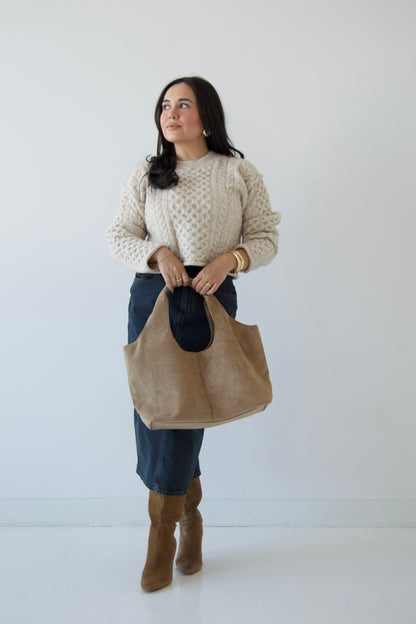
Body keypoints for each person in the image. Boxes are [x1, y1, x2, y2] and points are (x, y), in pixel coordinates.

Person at [106, 76, 281, 592]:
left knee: (187, 413)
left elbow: (266, 236)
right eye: (165, 105)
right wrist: (157, 253)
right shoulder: (146, 174)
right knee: (158, 412)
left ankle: (165, 530)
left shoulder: (237, 172)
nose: (171, 112)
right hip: (153, 296)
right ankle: (187, 520)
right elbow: (118, 234)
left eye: (183, 104)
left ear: (206, 115)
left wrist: (233, 259)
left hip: (210, 297)